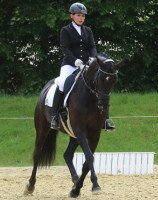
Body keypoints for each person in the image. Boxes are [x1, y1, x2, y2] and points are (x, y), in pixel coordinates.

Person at [51, 2, 115, 132]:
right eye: (79, 15)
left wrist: (94, 58)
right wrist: (75, 61)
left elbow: (92, 47)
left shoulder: (88, 30)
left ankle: (106, 118)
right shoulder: (65, 30)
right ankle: (55, 116)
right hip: (70, 65)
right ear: (72, 16)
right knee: (62, 82)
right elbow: (66, 49)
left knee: (99, 84)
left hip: (87, 64)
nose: (81, 18)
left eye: (83, 16)